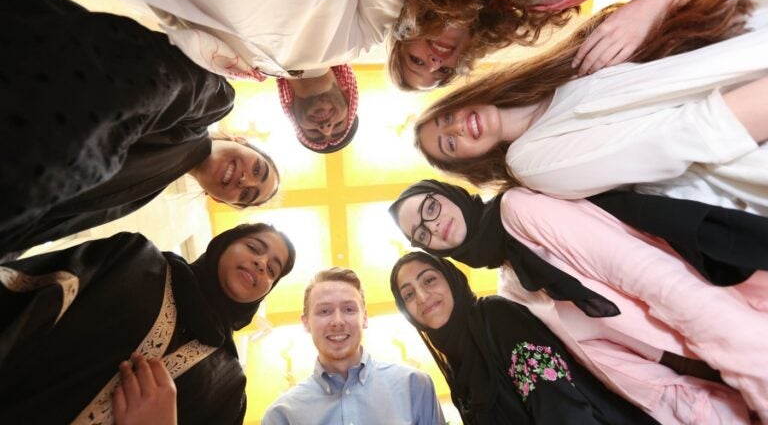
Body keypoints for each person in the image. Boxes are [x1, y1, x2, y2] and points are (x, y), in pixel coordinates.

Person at [389, 180, 768, 422]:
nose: (434, 226)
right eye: (422, 233)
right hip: (686, 385)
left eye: (431, 207)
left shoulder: (519, 211)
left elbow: (643, 274)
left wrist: (745, 359)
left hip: (719, 336)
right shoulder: (512, 288)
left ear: (447, 192)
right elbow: (607, 365)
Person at [412, 0, 768, 214]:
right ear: (474, 162)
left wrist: (648, 5)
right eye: (450, 143)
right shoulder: (532, 164)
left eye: (445, 119)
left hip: (739, 37)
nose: (457, 127)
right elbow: (676, 138)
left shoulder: (553, 74)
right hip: (746, 116)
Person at [0, 0, 281, 262]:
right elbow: (154, 78)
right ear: (239, 139)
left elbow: (55, 219)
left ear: (220, 200)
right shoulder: (216, 101)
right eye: (258, 169)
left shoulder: (145, 193)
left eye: (246, 195)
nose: (246, 181)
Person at [0, 222, 296, 424]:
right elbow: (28, 293)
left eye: (272, 269)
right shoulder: (133, 258)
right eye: (255, 247)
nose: (261, 263)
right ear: (223, 244)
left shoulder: (229, 384)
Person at [390, 252, 659, 424]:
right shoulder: (458, 371)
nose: (423, 297)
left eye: (429, 280)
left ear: (451, 280)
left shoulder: (494, 317)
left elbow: (558, 402)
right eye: (409, 295)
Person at [118, 0, 404, 153]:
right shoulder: (363, 38)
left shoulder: (239, 67)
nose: (326, 128)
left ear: (291, 112)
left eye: (314, 134)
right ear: (348, 94)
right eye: (340, 126)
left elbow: (178, 21)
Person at [388, 0, 723, 90]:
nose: (435, 63)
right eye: (443, 73)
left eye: (416, 61)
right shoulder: (543, 6)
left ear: (404, 39)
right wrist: (650, 6)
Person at [262, 267, 445, 425]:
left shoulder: (415, 386)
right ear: (306, 323)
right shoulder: (281, 416)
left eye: (349, 309)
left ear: (364, 318)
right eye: (324, 311)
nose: (337, 321)